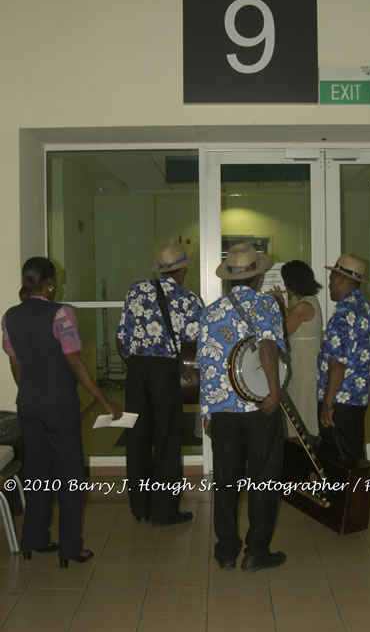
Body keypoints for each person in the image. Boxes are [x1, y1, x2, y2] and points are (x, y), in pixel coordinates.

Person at [2, 256, 122, 568]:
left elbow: (15, 364)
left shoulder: (9, 317)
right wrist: (105, 400)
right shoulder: (61, 314)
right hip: (59, 405)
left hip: (27, 403)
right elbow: (75, 363)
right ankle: (69, 549)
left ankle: (33, 539)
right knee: (69, 477)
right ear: (50, 283)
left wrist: (29, 390)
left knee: (36, 473)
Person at [196, 243, 287, 572]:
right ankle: (255, 552)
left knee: (225, 482)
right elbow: (267, 348)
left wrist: (207, 412)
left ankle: (225, 551)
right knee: (263, 480)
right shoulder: (267, 305)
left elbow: (204, 365)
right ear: (257, 275)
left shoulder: (209, 312)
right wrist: (274, 393)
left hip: (223, 412)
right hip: (259, 409)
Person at [116, 239, 203, 526]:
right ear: (182, 271)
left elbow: (122, 336)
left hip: (137, 369)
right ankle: (165, 510)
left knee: (137, 437)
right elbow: (195, 340)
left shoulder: (136, 290)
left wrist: (135, 364)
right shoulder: (188, 300)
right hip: (166, 370)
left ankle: (140, 507)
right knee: (167, 439)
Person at [317, 254, 370, 461]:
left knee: (339, 460)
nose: (329, 283)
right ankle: (357, 492)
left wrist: (327, 404)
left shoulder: (344, 312)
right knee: (353, 453)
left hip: (339, 400)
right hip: (358, 398)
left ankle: (344, 493)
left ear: (339, 279)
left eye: (332, 277)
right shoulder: (367, 307)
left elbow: (337, 363)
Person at [272, 260, 323, 438]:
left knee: (302, 410)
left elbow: (283, 331)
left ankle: (304, 452)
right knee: (303, 408)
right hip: (306, 363)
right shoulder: (309, 302)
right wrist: (282, 304)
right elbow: (295, 322)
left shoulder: (303, 306)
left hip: (304, 367)